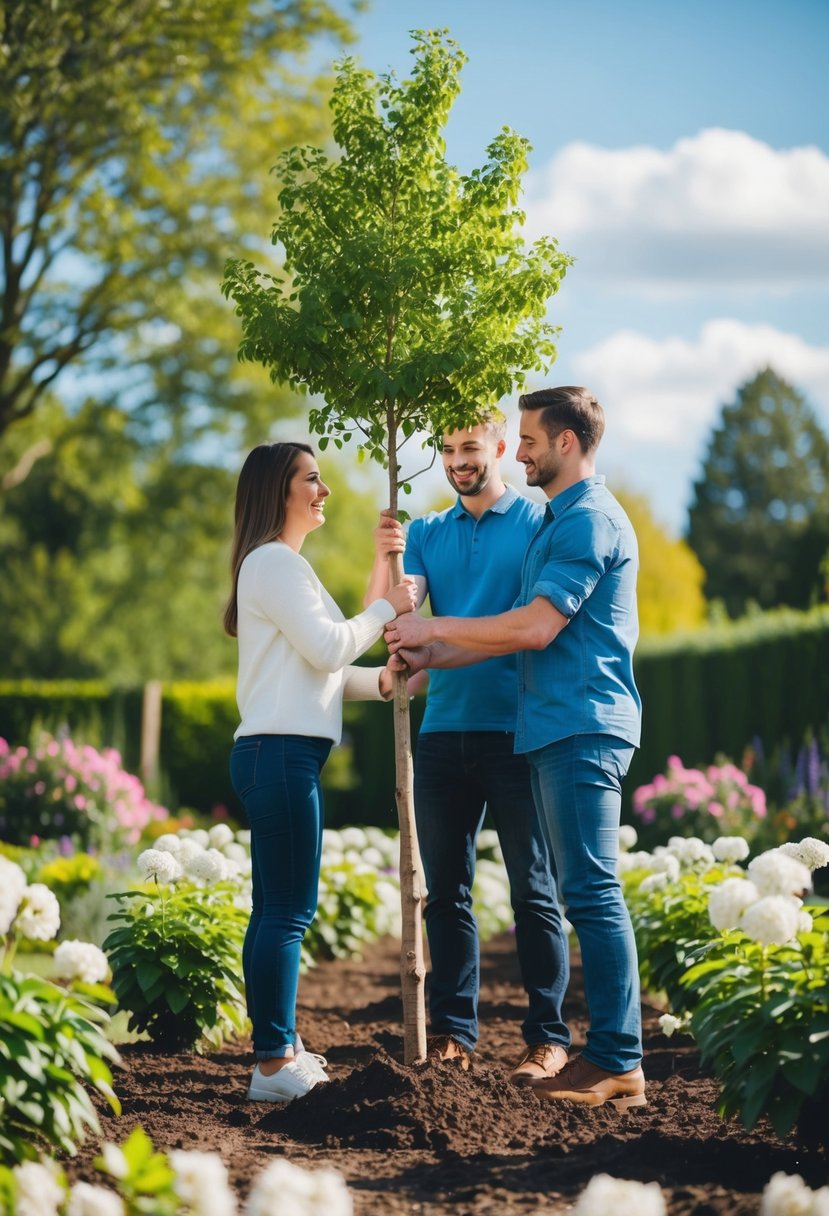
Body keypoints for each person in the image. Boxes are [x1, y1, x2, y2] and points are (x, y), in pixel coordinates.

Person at [385, 387, 646, 1110]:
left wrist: (434, 634)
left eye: (527, 439)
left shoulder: (583, 519)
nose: (520, 450)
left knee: (586, 894)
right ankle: (605, 1058)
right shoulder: (557, 522)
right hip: (552, 726)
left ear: (564, 442)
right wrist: (426, 647)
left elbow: (531, 629)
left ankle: (613, 1059)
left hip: (578, 723)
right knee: (577, 892)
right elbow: (504, 634)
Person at [366, 409, 570, 1083]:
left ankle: (547, 1038)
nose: (458, 460)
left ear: (500, 448)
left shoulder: (537, 526)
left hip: (517, 734)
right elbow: (401, 622)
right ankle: (454, 1032)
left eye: (470, 447)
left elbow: (525, 627)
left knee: (532, 892)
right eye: (448, 449)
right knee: (446, 893)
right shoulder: (423, 534)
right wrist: (384, 562)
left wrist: (434, 639)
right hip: (441, 736)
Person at [224, 442, 417, 1104]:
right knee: (285, 911)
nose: (324, 489)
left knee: (282, 909)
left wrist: (384, 683)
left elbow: (324, 669)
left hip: (282, 750)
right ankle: (273, 1064)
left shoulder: (284, 567)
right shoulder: (273, 563)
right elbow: (331, 644)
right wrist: (390, 605)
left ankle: (280, 1048)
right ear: (280, 491)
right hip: (279, 753)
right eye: (312, 479)